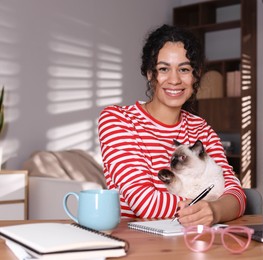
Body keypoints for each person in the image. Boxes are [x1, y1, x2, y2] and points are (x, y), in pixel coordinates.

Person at [98, 24, 246, 227]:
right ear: (150, 74)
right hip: (138, 244)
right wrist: (208, 205)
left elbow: (235, 193)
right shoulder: (118, 120)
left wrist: (215, 211)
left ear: (195, 75)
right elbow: (145, 204)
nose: (175, 80)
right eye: (164, 69)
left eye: (184, 69)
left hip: (194, 240)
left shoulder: (202, 129)